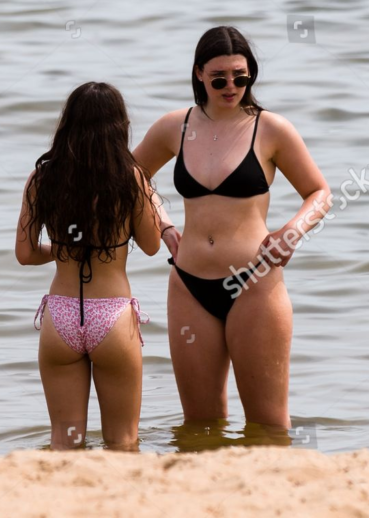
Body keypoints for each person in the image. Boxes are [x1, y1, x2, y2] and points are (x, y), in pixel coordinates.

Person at [133, 26, 332, 431]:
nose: (231, 87)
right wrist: (164, 225)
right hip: (188, 285)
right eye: (219, 78)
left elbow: (319, 192)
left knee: (269, 424)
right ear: (199, 74)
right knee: (200, 425)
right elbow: (130, 176)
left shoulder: (271, 129)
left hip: (254, 283)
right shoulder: (174, 126)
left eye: (240, 78)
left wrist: (292, 231)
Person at [15, 81, 174, 451]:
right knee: (123, 440)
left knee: (64, 441)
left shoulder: (43, 178)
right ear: (119, 127)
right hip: (112, 317)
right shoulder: (130, 178)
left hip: (61, 315)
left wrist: (64, 249)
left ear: (67, 124)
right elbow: (151, 245)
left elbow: (25, 254)